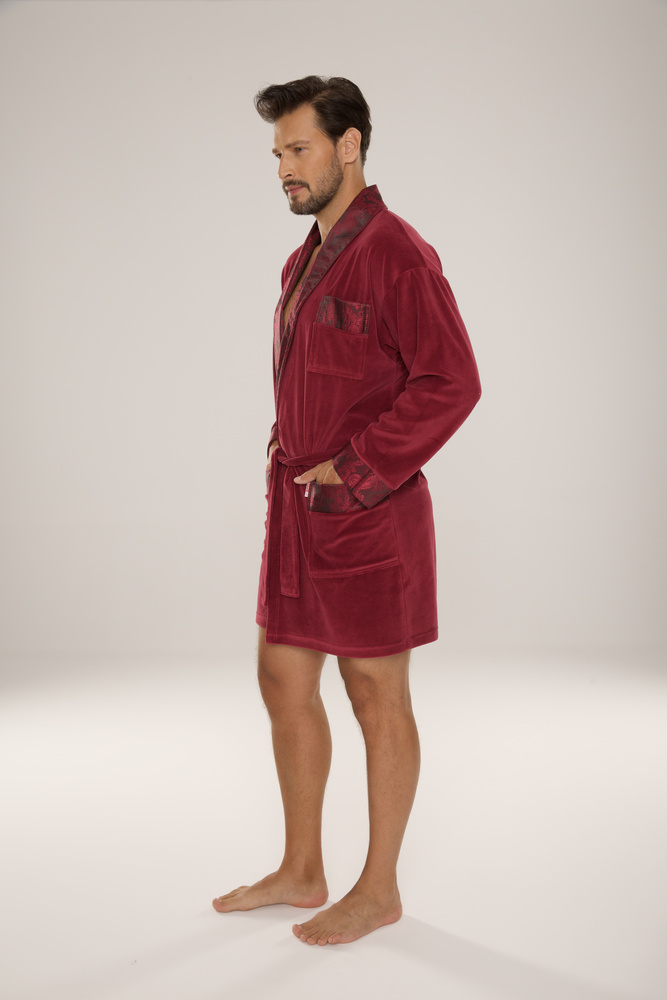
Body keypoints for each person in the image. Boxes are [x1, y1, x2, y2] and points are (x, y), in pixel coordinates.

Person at [213, 76, 481, 946]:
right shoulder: (301, 260)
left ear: (350, 145)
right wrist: (288, 439)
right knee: (281, 678)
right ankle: (302, 868)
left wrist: (357, 467)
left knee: (375, 694)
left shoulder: (397, 253)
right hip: (299, 511)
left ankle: (379, 888)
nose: (283, 170)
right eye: (277, 154)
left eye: (298, 150)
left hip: (370, 514)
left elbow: (451, 382)